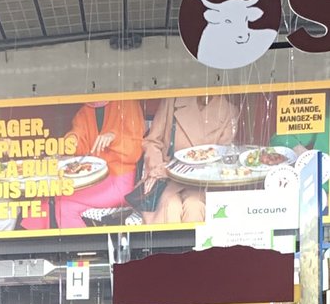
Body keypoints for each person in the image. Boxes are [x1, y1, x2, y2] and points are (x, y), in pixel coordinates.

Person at [140, 94, 239, 224]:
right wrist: (157, 169)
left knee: (195, 207)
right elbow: (152, 142)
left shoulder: (228, 112)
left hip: (201, 183)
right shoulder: (172, 100)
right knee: (170, 207)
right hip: (167, 178)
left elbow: (222, 158)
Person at [53, 99, 145, 230]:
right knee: (61, 206)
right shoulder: (84, 111)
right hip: (94, 182)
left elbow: (134, 150)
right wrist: (71, 140)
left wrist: (114, 137)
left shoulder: (128, 103)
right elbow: (79, 137)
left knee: (60, 198)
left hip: (120, 183)